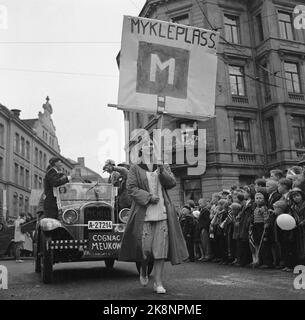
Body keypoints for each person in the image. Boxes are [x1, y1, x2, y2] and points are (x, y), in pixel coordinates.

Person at [118, 139, 188, 294]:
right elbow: (131, 188)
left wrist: (162, 170)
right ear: (141, 149)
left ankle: (158, 282)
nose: (150, 146)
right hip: (144, 214)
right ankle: (143, 268)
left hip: (162, 213)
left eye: (152, 145)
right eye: (147, 145)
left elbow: (171, 183)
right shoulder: (135, 168)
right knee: (145, 250)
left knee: (160, 250)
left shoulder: (162, 165)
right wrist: (148, 197)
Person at [289, 188, 305, 265]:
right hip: (298, 229)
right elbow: (291, 217)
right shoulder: (292, 207)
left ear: (301, 195)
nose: (296, 198)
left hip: (303, 227)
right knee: (299, 246)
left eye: (298, 196)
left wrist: (303, 222)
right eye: (294, 197)